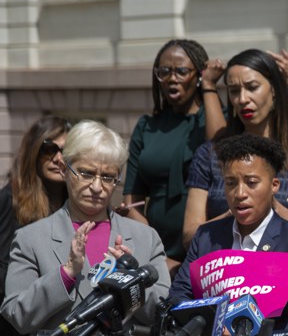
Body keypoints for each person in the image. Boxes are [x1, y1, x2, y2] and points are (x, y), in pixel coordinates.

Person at [1, 120, 170, 334]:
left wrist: (133, 282)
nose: (97, 187)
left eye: (108, 177)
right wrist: (66, 273)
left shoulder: (146, 237)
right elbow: (17, 314)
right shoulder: (31, 239)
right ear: (64, 169)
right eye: (87, 174)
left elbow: (163, 315)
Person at [182, 49, 288, 249]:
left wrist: (273, 210)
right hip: (223, 271)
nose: (242, 99)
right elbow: (190, 235)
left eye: (252, 87)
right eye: (234, 91)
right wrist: (237, 214)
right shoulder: (210, 154)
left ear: (274, 90)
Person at [172, 134, 288, 328]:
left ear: (274, 186)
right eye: (231, 183)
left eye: (251, 182)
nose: (240, 194)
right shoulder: (206, 237)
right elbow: (179, 296)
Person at [120, 39, 224, 275]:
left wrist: (209, 86)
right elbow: (131, 200)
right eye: (164, 72)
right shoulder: (148, 126)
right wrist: (155, 252)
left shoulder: (213, 120)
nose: (172, 78)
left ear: (198, 75)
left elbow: (218, 145)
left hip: (206, 250)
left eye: (181, 71)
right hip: (156, 253)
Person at [0, 116, 71, 335]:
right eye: (49, 149)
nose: (58, 158)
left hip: (62, 316)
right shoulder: (10, 199)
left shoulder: (75, 203)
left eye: (66, 151)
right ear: (33, 151)